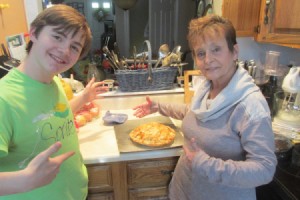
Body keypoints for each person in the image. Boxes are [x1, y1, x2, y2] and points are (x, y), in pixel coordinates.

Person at [133, 15, 277, 200]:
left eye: (216, 49)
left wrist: (205, 164)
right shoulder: (208, 86)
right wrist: (159, 107)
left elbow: (264, 169)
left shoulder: (250, 105)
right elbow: (192, 112)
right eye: (201, 53)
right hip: (183, 190)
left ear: (234, 51)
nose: (208, 59)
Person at [0, 4, 106, 199]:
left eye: (75, 47)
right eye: (57, 37)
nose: (65, 51)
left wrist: (83, 98)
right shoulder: (3, 98)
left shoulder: (54, 80)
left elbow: (51, 116)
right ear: (33, 33)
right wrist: (24, 180)